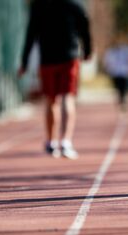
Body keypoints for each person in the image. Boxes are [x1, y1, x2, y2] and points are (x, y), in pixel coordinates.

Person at [19, 0, 92, 159]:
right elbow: (85, 28)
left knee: (51, 100)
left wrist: (24, 61)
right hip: (69, 57)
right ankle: (65, 142)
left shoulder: (39, 5)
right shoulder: (74, 4)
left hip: (48, 58)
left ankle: (51, 142)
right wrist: (87, 51)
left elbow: (31, 33)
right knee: (67, 97)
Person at [103, 34, 128, 111]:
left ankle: (123, 102)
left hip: (124, 73)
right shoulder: (110, 51)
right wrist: (108, 69)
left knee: (124, 89)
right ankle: (121, 101)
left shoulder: (126, 50)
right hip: (115, 73)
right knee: (118, 89)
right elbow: (107, 62)